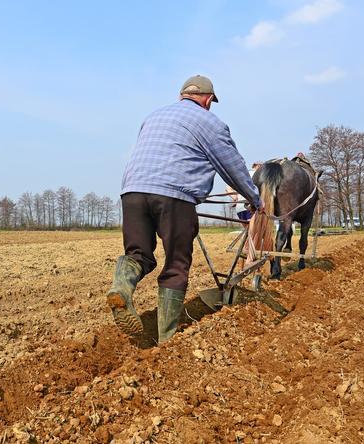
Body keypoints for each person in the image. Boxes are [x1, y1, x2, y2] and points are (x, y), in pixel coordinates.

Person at [108, 75, 263, 343]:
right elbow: (232, 166)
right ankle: (167, 340)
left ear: (182, 95)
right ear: (207, 99)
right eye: (211, 102)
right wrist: (255, 199)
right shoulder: (209, 122)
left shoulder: (154, 116)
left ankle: (122, 287)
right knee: (177, 264)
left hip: (132, 191)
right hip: (174, 197)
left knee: (139, 254)